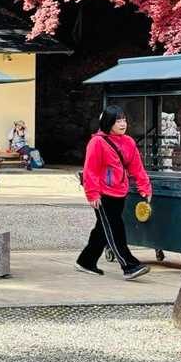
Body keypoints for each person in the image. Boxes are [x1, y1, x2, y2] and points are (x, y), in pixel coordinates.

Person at [77, 105, 152, 280]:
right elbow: (90, 170)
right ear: (108, 122)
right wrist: (92, 193)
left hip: (120, 192)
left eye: (124, 120)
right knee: (115, 229)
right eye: (118, 121)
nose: (122, 124)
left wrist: (144, 186)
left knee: (103, 229)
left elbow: (136, 167)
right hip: (103, 194)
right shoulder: (97, 142)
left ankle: (85, 261)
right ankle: (129, 265)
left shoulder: (129, 142)